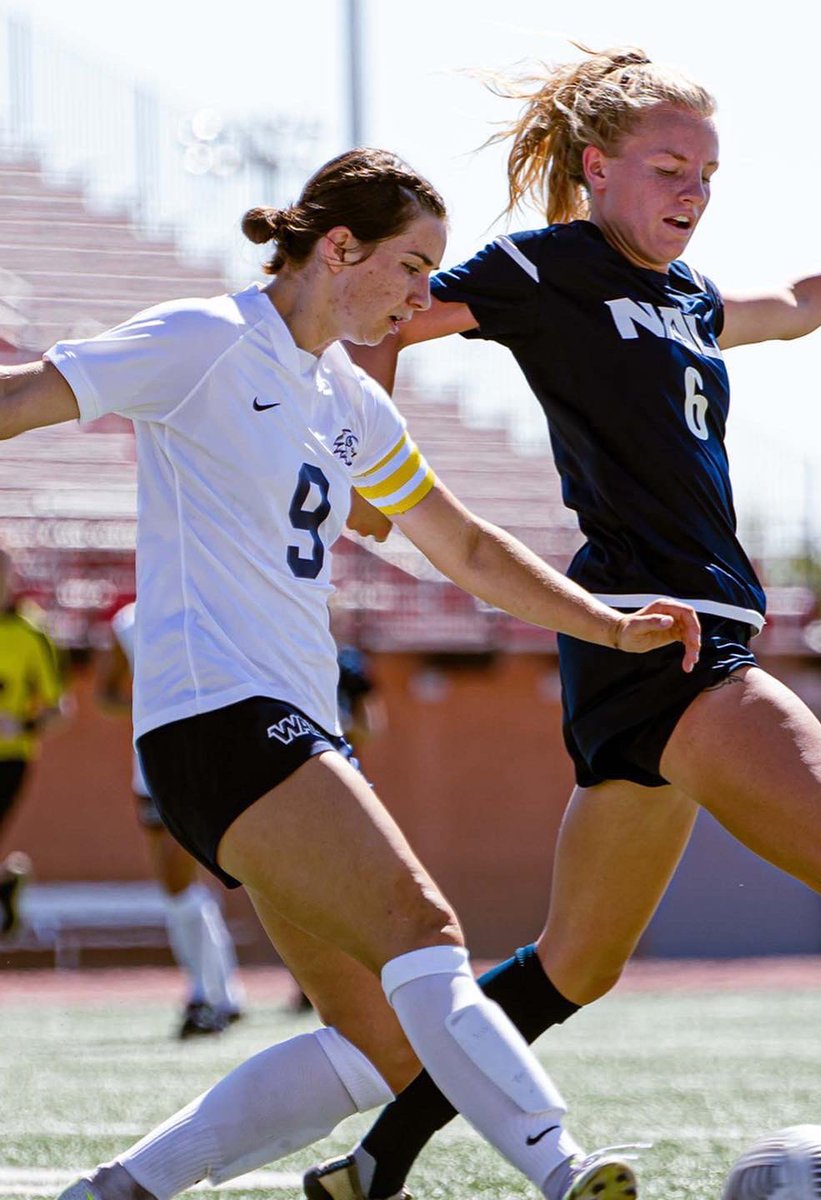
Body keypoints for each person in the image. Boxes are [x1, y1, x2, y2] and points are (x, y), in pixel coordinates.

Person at [308, 48, 821, 1200]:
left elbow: (798, 308)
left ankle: (373, 1159)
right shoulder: (546, 267)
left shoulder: (686, 293)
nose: (693, 192)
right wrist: (373, 466)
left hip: (636, 648)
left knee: (572, 965)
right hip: (675, 636)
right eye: (669, 168)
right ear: (597, 169)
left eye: (708, 172)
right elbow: (385, 318)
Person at [0, 146, 703, 1200]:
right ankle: (562, 1169)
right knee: (426, 934)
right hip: (220, 720)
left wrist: (603, 623)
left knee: (382, 1045)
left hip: (283, 731)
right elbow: (21, 402)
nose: (426, 295)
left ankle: (115, 1193)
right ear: (340, 249)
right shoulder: (204, 339)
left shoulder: (348, 401)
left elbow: (460, 547)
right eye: (414, 266)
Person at [97, 600, 246, 1037]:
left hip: (208, 761)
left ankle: (211, 993)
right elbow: (105, 695)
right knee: (176, 885)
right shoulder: (129, 623)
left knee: (198, 879)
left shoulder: (214, 605)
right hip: (152, 766)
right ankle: (217, 991)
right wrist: (152, 705)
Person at [0, 546, 66, 936]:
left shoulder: (32, 631)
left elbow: (59, 709)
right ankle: (5, 886)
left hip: (9, 758)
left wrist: (21, 727)